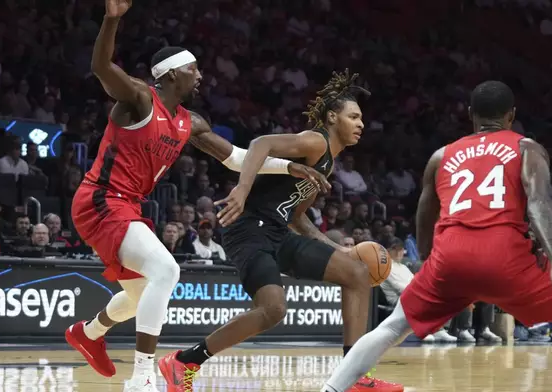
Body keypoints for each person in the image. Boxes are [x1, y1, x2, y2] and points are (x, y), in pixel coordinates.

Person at [64, 1, 330, 392]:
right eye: (193, 68)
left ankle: (88, 333)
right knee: (167, 271)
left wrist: (290, 168)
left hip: (127, 205)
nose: (200, 75)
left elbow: (238, 159)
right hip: (101, 198)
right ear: (171, 74)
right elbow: (102, 68)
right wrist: (111, 19)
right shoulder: (138, 98)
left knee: (141, 295)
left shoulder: (192, 123)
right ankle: (141, 378)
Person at [319, 80, 552, 392]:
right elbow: (540, 201)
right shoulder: (525, 147)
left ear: (471, 114)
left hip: (451, 259)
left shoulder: (441, 155)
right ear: (511, 116)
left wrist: (427, 262)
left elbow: (424, 215)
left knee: (393, 325)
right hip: (507, 258)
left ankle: (331, 390)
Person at [159, 70, 402, 392]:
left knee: (356, 273)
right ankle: (185, 360)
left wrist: (336, 248)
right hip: (248, 230)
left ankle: (353, 375)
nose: (360, 124)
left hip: (278, 231)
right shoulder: (315, 141)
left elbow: (297, 217)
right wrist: (243, 189)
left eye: (361, 119)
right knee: (273, 310)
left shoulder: (327, 163)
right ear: (332, 117)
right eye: (353, 116)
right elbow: (261, 144)